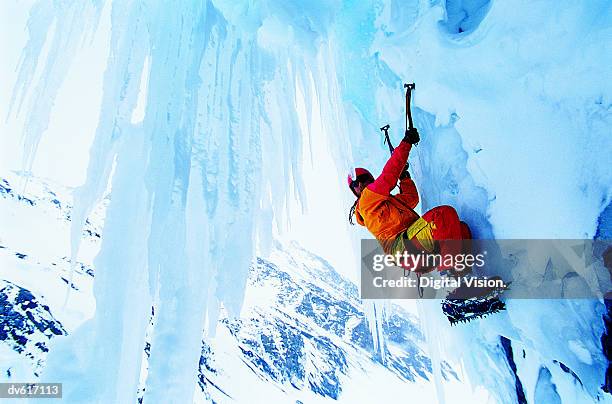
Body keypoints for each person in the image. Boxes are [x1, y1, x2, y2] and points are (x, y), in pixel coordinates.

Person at [348, 127, 471, 272]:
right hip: (404, 247)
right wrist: (406, 143)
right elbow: (389, 176)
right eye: (355, 184)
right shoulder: (365, 201)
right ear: (354, 191)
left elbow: (412, 199)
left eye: (363, 179)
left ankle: (466, 279)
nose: (360, 184)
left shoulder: (387, 203)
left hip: (413, 250)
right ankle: (450, 273)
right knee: (442, 215)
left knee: (460, 230)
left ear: (370, 179)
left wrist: (404, 177)